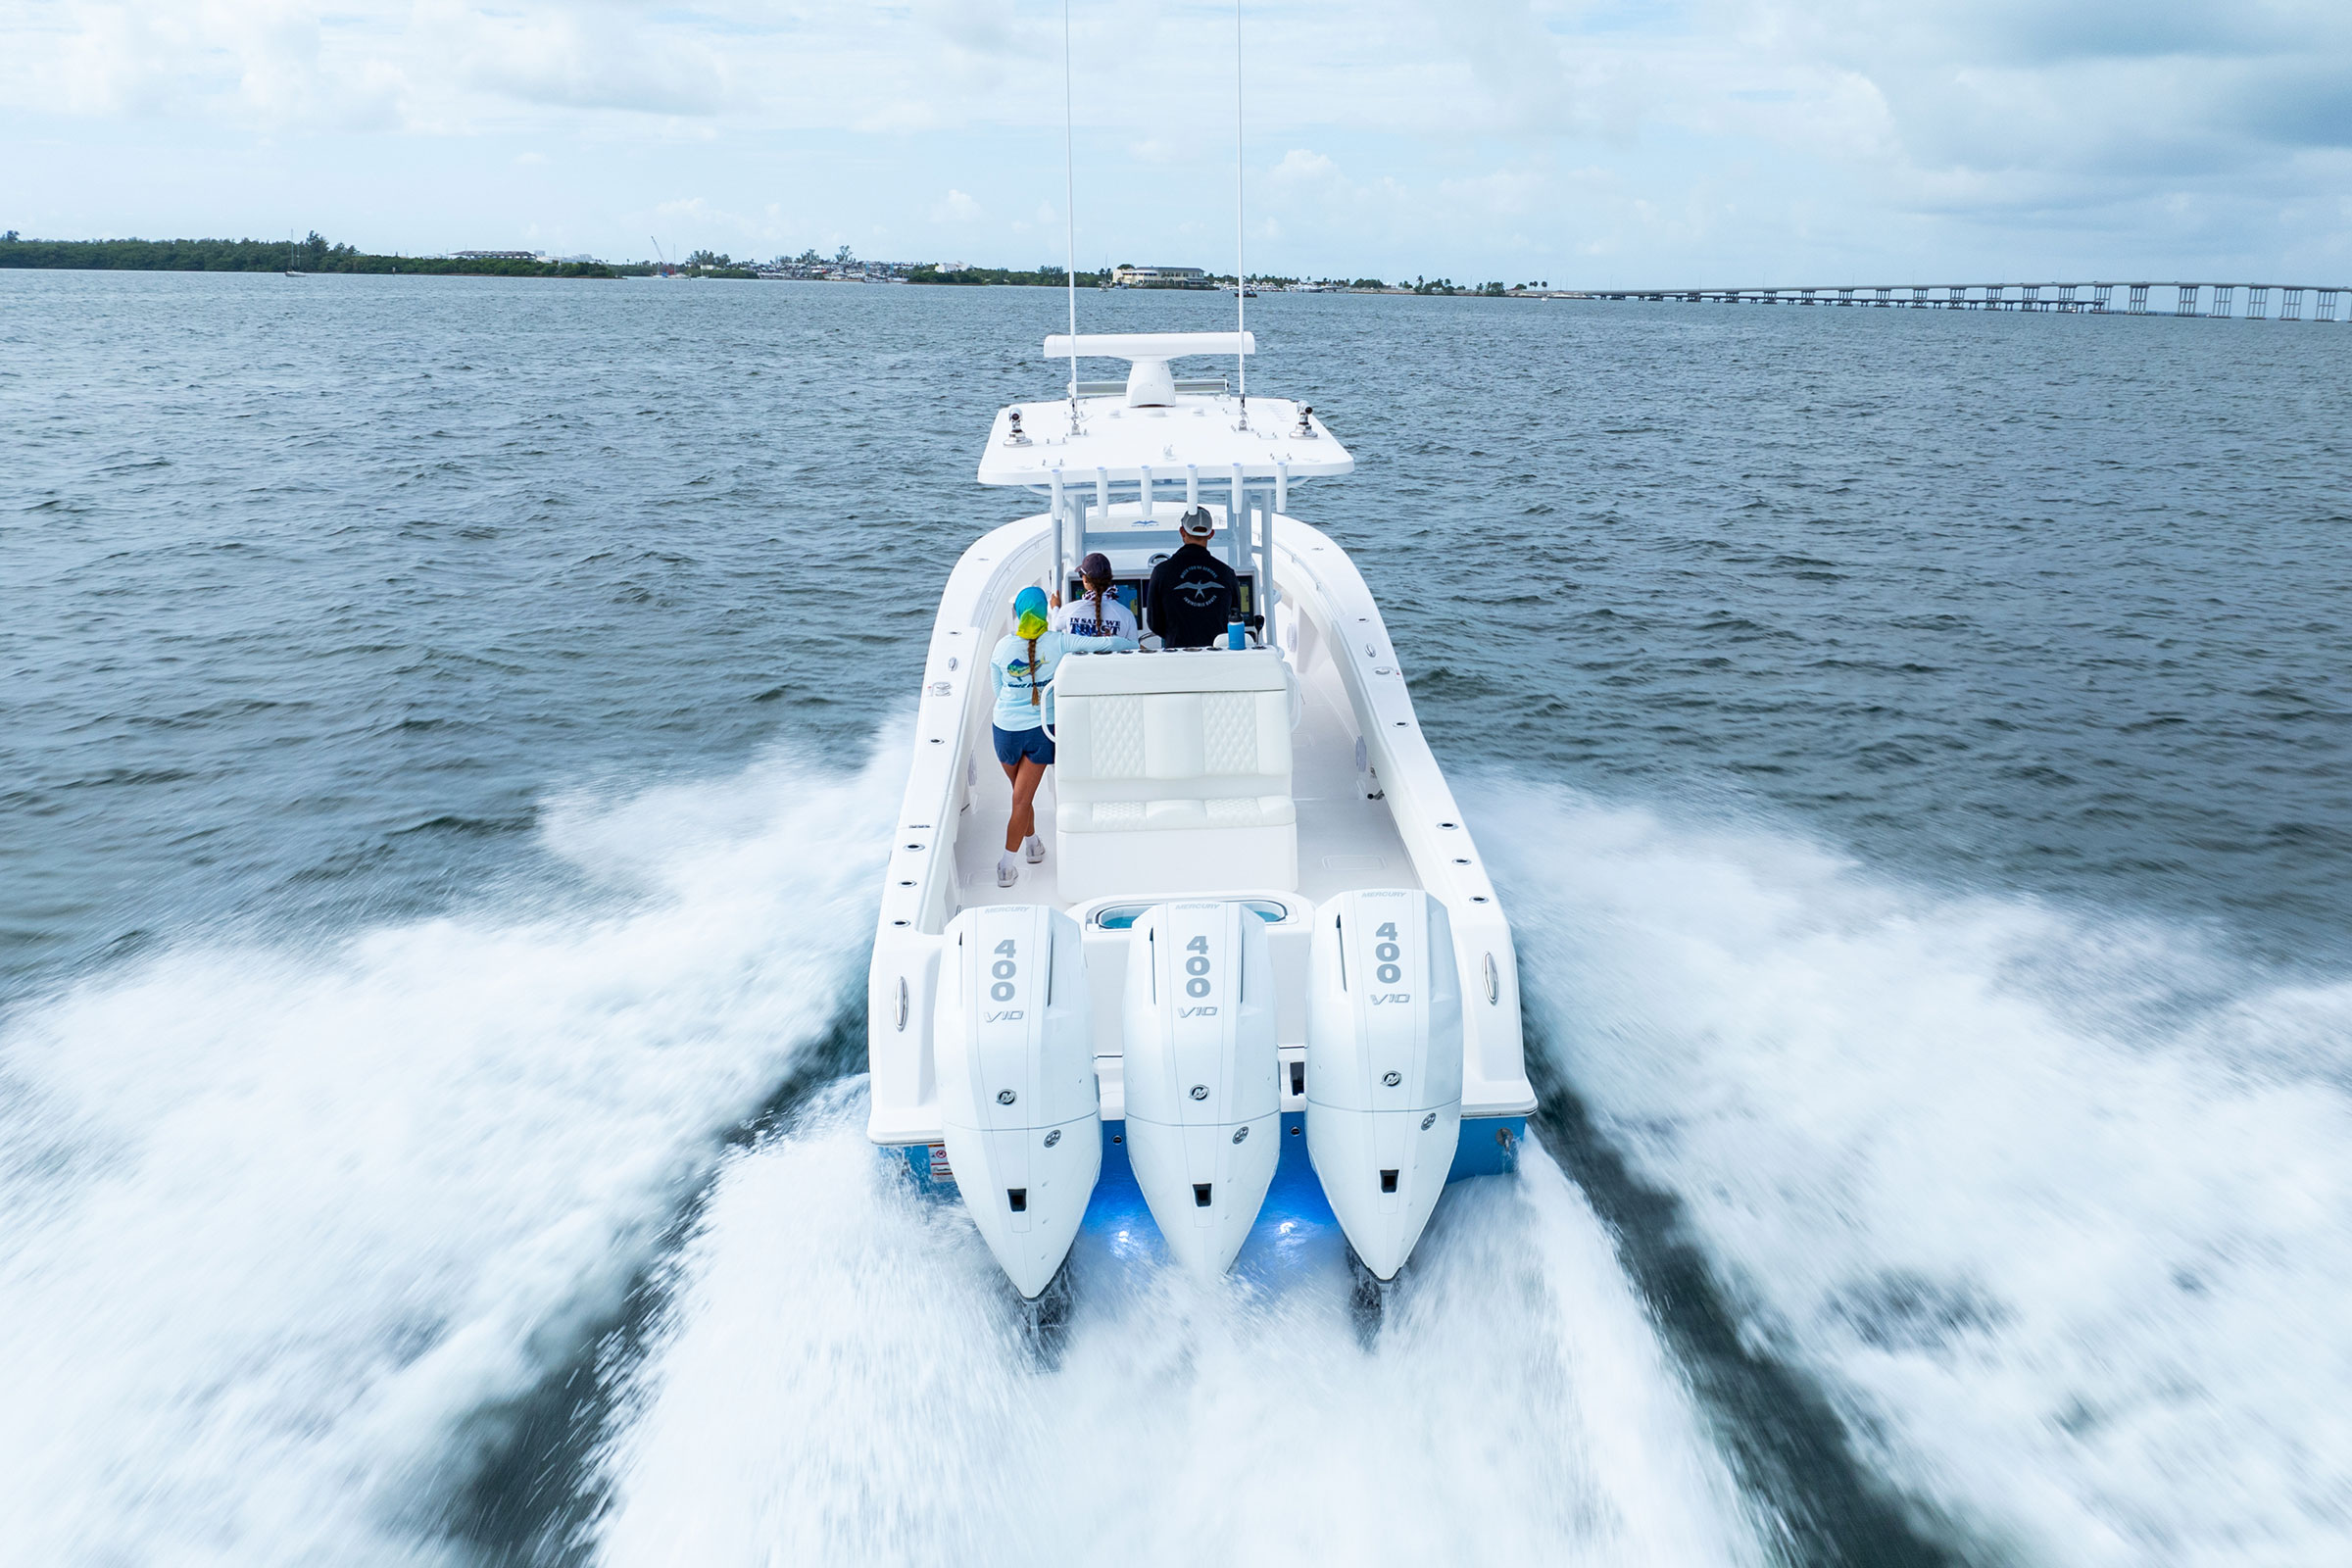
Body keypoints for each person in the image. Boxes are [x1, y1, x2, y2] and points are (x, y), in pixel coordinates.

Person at [990, 584, 1135, 887]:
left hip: (1004, 731)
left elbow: (997, 689)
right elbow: (1110, 644)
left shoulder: (1002, 648)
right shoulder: (1059, 642)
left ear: (1018, 614)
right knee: (1021, 799)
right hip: (1040, 731)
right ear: (1044, 613)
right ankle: (1005, 866)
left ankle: (1033, 845)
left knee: (1020, 796)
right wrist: (1135, 646)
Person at [1145, 507, 1241, 649]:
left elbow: (1154, 623)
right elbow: (1236, 616)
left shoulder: (1161, 572)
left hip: (1177, 655)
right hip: (1217, 655)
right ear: (1211, 534)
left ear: (1182, 532)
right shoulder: (1227, 573)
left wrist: (1174, 635)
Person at [1054, 552, 1140, 641]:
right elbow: (1133, 645)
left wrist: (1055, 607)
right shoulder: (1126, 615)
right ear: (1109, 578)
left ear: (1085, 579)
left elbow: (1056, 625)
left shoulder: (1069, 609)